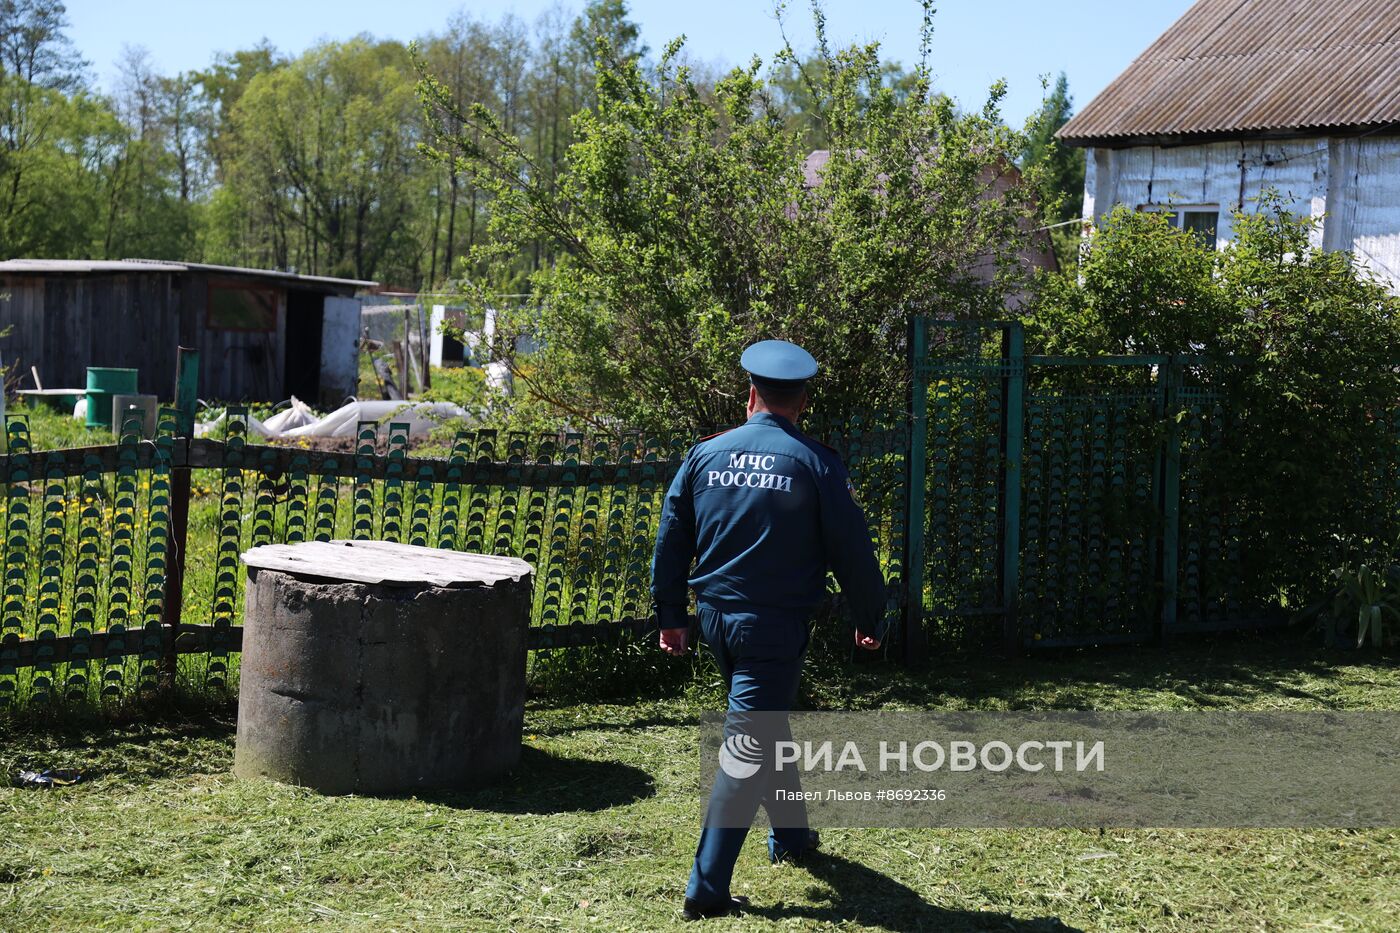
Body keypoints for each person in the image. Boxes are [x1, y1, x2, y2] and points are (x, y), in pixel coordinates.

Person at [651, 338, 887, 921]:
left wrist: (671, 616)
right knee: (748, 746)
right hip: (773, 627)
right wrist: (871, 616)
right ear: (801, 401)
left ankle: (791, 837)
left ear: (749, 394)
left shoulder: (705, 454)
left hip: (714, 620)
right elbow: (852, 551)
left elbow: (670, 540)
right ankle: (705, 889)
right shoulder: (814, 462)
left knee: (764, 723)